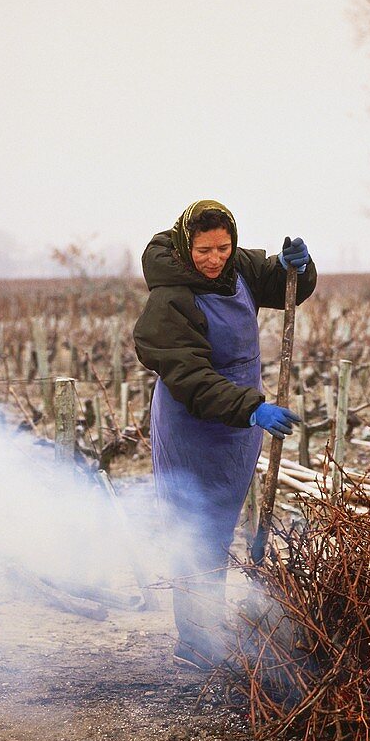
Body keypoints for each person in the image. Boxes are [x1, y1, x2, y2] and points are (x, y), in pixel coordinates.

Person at [133, 199, 317, 670]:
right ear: (184, 246)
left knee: (222, 523)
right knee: (193, 529)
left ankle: (215, 632)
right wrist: (252, 408)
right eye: (204, 250)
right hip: (193, 422)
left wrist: (299, 267)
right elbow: (191, 379)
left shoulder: (240, 269)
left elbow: (284, 284)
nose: (215, 258)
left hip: (239, 424)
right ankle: (196, 644)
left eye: (223, 247)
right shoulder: (170, 298)